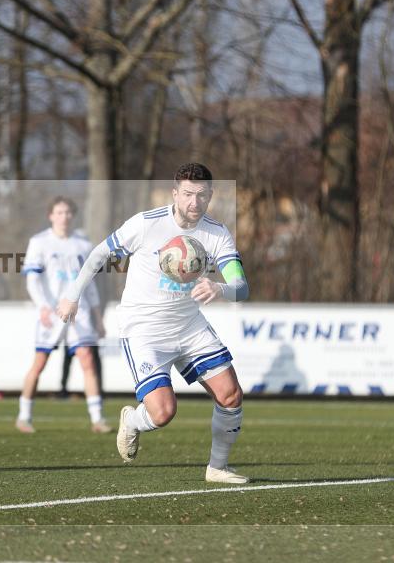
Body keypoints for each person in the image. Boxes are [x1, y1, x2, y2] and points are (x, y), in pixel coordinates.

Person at [56, 163, 250, 483]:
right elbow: (99, 254)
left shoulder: (217, 234)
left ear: (211, 195)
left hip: (189, 325)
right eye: (187, 194)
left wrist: (220, 288)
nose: (194, 202)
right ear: (175, 193)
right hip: (144, 329)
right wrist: (72, 295)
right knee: (163, 412)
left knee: (231, 394)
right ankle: (132, 420)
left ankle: (217, 468)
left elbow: (241, 288)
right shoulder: (147, 224)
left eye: (202, 195)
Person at [17, 196, 111, 434]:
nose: (64, 217)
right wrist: (43, 307)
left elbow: (89, 284)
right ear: (51, 216)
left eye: (68, 212)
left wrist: (97, 316)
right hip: (52, 312)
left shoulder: (83, 244)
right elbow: (32, 281)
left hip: (80, 312)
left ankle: (97, 419)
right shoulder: (39, 242)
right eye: (59, 212)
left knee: (87, 360)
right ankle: (24, 416)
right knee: (39, 363)